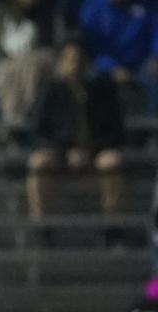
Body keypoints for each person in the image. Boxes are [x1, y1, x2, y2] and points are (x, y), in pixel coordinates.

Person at [26, 39, 124, 237]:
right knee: (37, 163)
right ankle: (42, 226)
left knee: (112, 162)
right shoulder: (51, 91)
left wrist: (90, 150)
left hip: (95, 151)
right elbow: (37, 131)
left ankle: (113, 226)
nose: (75, 64)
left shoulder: (102, 90)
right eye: (70, 59)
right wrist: (65, 150)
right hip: (60, 152)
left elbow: (117, 131)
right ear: (60, 62)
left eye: (79, 59)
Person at [78, 0, 158, 115]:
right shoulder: (92, 8)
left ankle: (151, 131)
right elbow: (91, 46)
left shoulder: (147, 5)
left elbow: (155, 34)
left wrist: (155, 56)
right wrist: (112, 67)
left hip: (143, 64)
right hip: (104, 66)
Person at [0, 0, 56, 137]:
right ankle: (11, 120)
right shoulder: (7, 14)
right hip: (13, 60)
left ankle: (27, 115)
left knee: (29, 66)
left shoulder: (46, 14)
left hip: (41, 58)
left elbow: (47, 44)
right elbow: (4, 44)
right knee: (5, 72)